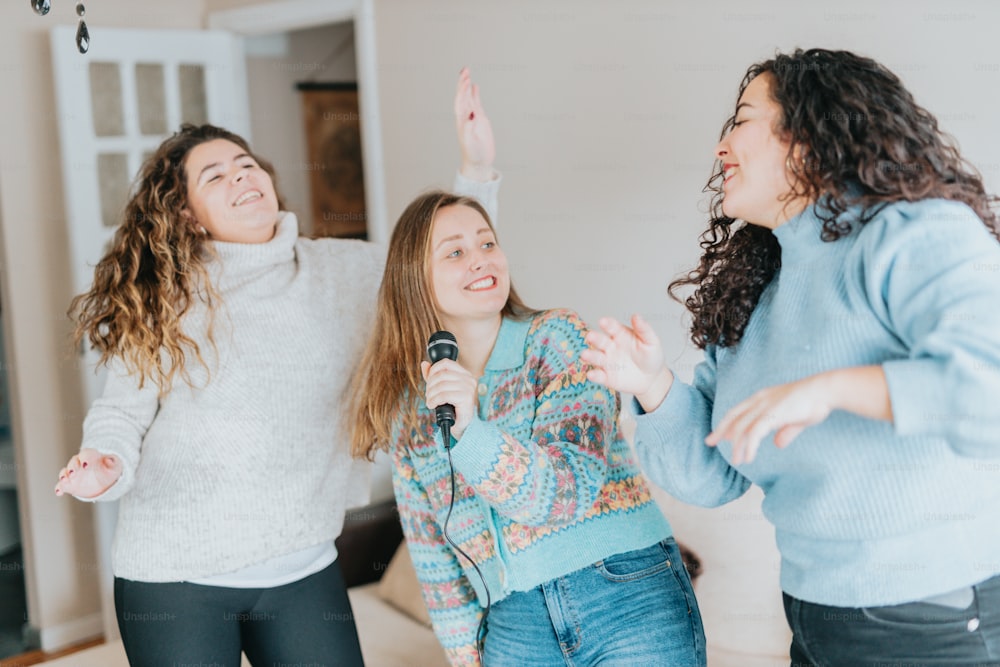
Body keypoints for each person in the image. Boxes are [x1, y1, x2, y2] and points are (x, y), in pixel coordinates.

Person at [53, 68, 499, 666]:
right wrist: (105, 463)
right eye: (215, 176)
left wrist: (476, 167)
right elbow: (118, 414)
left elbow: (445, 267)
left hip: (302, 563)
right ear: (185, 214)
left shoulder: (345, 273)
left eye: (246, 164)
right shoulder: (162, 299)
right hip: (174, 574)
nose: (242, 177)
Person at [582, 48, 1000, 666]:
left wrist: (829, 389)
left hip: (928, 614)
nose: (720, 147)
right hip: (811, 615)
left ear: (810, 135)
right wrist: (653, 386)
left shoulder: (915, 232)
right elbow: (717, 475)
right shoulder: (757, 291)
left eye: (742, 120)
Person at [348, 85, 706, 667]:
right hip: (512, 624)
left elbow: (564, 495)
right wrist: (467, 655)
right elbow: (434, 553)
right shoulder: (411, 410)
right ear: (417, 280)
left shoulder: (555, 340)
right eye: (455, 253)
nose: (482, 259)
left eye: (487, 243)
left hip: (625, 594)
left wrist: (471, 430)